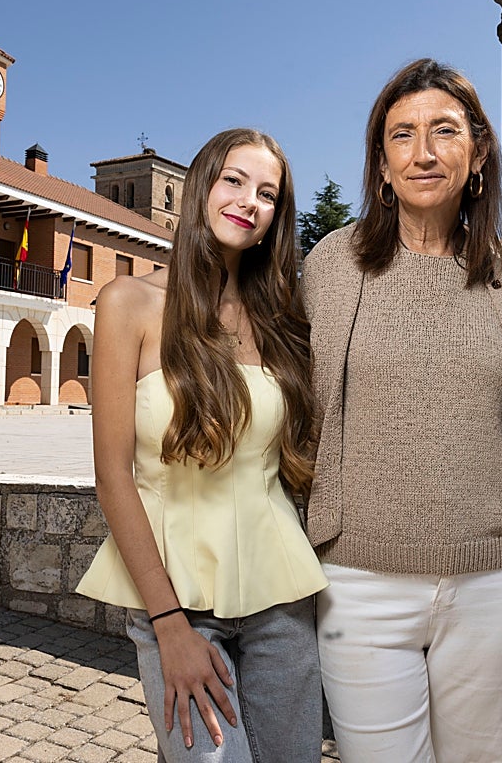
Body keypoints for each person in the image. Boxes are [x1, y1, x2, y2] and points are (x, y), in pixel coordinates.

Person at [302, 58, 502, 763]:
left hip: (492, 585)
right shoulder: (331, 265)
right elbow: (295, 400)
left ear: (476, 155)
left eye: (444, 130)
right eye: (401, 135)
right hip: (358, 584)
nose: (423, 151)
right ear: (381, 166)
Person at [76, 128, 328, 762]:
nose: (249, 200)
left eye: (268, 193)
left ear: (276, 218)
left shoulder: (282, 321)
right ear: (200, 188)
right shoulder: (128, 303)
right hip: (177, 605)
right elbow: (114, 477)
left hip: (282, 604)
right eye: (234, 180)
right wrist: (169, 628)